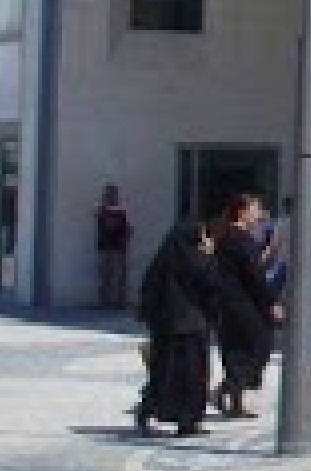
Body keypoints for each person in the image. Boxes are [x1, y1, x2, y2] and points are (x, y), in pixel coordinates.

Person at [134, 217, 223, 437]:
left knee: (163, 373)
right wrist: (210, 256)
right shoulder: (195, 259)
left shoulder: (164, 258)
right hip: (192, 326)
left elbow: (148, 291)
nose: (204, 239)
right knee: (192, 377)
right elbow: (212, 283)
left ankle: (149, 408)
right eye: (201, 234)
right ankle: (187, 421)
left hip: (166, 326)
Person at [210, 193, 282, 418]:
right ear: (242, 212)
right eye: (256, 209)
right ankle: (229, 388)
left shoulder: (229, 238)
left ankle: (235, 401)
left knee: (237, 350)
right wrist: (271, 303)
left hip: (230, 303)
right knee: (259, 346)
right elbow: (254, 276)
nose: (259, 214)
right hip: (243, 304)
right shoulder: (238, 239)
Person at [95, 183, 131, 311]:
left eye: (113, 193)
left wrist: (126, 237)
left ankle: (120, 302)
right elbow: (103, 221)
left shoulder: (121, 211)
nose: (111, 196)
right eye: (109, 194)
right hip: (105, 247)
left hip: (118, 248)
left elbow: (126, 227)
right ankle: (103, 302)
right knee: (105, 275)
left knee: (119, 276)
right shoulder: (102, 209)